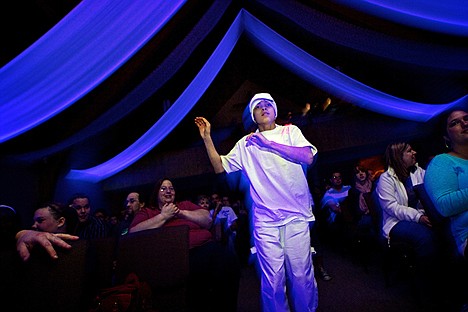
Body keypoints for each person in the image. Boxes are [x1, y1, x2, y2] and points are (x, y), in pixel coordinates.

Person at [195, 92, 318, 311]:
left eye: (268, 104)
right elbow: (219, 167)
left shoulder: (290, 131)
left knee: (301, 276)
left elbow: (308, 156)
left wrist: (270, 144)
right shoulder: (246, 143)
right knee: (272, 281)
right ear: (253, 115)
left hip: (296, 217)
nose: (263, 108)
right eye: (258, 106)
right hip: (266, 222)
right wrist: (207, 138)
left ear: (275, 110)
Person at [129, 178, 240, 312]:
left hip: (203, 248)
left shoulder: (185, 205)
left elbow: (207, 220)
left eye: (171, 188)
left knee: (226, 259)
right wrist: (163, 216)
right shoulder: (147, 212)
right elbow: (133, 233)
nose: (168, 191)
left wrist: (180, 213)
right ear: (156, 193)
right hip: (172, 257)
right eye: (163, 188)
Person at [376, 141, 442, 310]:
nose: (414, 153)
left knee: (443, 231)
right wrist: (418, 217)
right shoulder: (386, 179)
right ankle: (427, 289)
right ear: (399, 156)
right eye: (409, 151)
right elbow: (392, 208)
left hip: (418, 217)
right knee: (425, 237)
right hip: (396, 223)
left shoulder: (418, 172)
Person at [424, 109, 468, 309]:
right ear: (446, 137)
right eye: (455, 123)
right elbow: (445, 205)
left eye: (467, 118)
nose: (464, 123)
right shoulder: (442, 162)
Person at [320, 171, 354, 248]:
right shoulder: (329, 193)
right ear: (331, 180)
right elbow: (335, 208)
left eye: (339, 177)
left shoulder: (348, 189)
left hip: (351, 219)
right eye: (335, 177)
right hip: (337, 222)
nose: (338, 179)